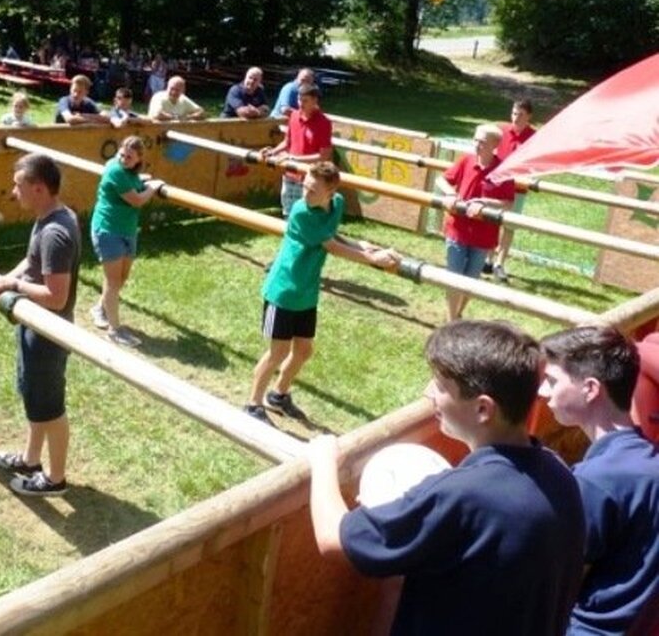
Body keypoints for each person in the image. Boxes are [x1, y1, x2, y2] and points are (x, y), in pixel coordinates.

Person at [309, 320, 586, 636]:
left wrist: (323, 460)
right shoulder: (558, 474)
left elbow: (333, 539)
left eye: (441, 386)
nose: (427, 392)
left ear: (483, 409)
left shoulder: (463, 496)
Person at [246, 161, 398, 425]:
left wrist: (363, 245)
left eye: (313, 190)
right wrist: (372, 259)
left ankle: (279, 394)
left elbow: (332, 234)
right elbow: (330, 246)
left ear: (331, 192)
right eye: (304, 186)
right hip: (283, 291)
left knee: (303, 350)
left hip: (306, 292)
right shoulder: (301, 211)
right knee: (278, 352)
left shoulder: (337, 204)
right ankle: (252, 404)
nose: (306, 193)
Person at [539, 325, 659, 635]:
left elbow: (558, 582)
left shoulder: (595, 480)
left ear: (590, 389)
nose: (543, 392)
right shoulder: (648, 463)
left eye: (552, 381)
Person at [0, 154, 81, 497]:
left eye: (18, 185)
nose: (13, 191)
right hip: (33, 325)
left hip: (49, 332)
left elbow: (56, 296)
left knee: (51, 407)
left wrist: (12, 286)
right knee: (35, 400)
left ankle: (55, 479)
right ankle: (31, 459)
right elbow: (32, 262)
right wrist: (4, 278)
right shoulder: (50, 216)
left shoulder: (55, 232)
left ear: (39, 188)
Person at [435, 123, 515, 320]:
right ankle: (452, 320)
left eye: (482, 141)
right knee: (454, 276)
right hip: (457, 229)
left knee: (471, 281)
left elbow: (508, 203)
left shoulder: (503, 171)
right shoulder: (466, 161)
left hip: (483, 236)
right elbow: (441, 180)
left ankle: (458, 313)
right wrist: (451, 194)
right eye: (475, 140)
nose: (477, 144)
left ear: (494, 145)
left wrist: (485, 202)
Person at [89, 136, 162, 347]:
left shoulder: (131, 173)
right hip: (108, 229)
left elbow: (135, 183)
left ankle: (100, 308)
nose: (123, 159)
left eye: (129, 157)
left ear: (139, 159)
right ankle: (114, 330)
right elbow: (137, 200)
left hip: (127, 230)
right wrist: (153, 187)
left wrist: (143, 181)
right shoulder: (115, 170)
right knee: (113, 282)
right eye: (122, 154)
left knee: (121, 278)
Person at [260, 84, 333, 216]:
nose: (300, 104)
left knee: (306, 211)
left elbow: (323, 155)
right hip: (290, 173)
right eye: (299, 100)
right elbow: (287, 142)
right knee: (288, 210)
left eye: (305, 101)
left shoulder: (323, 123)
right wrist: (273, 152)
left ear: (315, 100)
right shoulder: (294, 116)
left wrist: (293, 158)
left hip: (310, 176)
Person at [487, 99, 537, 282]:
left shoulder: (534, 137)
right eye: (514, 113)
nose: (516, 118)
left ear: (529, 116)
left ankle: (499, 263)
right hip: (498, 185)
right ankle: (488, 258)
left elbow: (535, 163)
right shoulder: (501, 131)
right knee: (491, 220)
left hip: (518, 187)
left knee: (509, 224)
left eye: (521, 114)